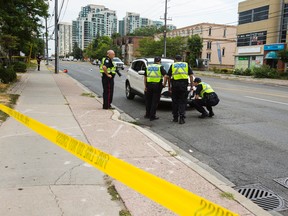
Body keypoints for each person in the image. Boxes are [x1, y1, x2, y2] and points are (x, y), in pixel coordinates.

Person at [167, 55, 194, 124]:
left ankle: (175, 118)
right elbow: (191, 75)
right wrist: (191, 85)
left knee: (175, 102)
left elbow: (168, 77)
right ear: (181, 59)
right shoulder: (186, 65)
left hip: (175, 85)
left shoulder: (173, 65)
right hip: (183, 85)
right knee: (182, 102)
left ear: (175, 59)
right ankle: (182, 118)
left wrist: (169, 87)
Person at [144, 57, 168, 121]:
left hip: (149, 85)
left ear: (154, 61)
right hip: (157, 86)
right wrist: (164, 84)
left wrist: (145, 86)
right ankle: (152, 116)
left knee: (148, 100)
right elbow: (165, 76)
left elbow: (145, 77)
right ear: (159, 61)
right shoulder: (160, 67)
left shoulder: (148, 67)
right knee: (155, 101)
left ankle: (147, 114)